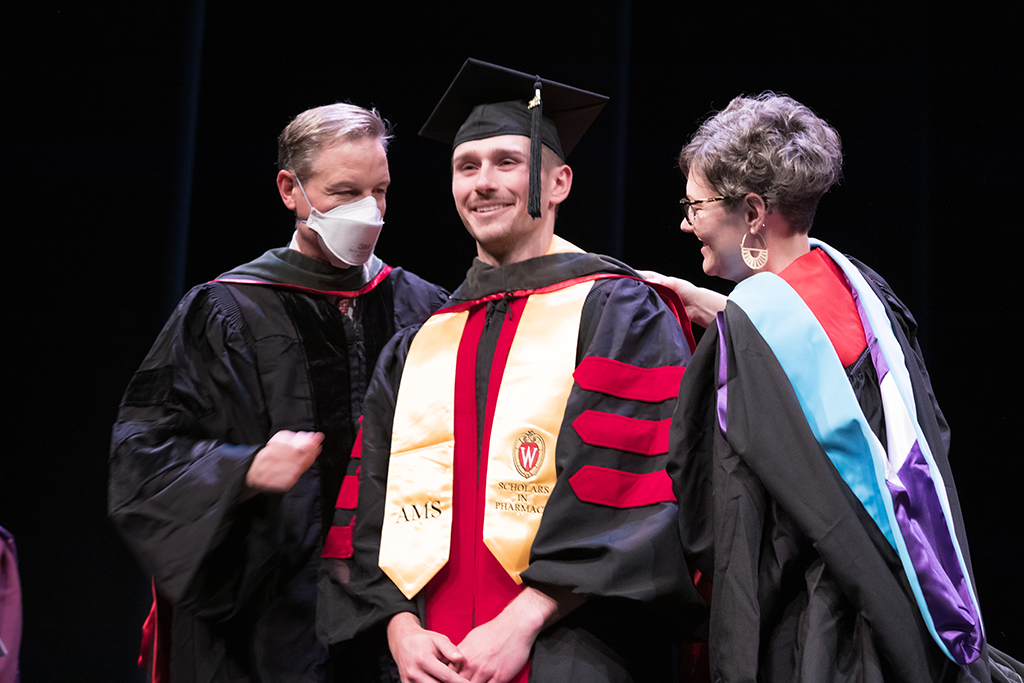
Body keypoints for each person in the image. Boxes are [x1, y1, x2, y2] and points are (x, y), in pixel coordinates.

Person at [318, 59, 706, 683]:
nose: (483, 183)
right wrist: (397, 627)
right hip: (427, 658)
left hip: (571, 649)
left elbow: (635, 487)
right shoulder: (420, 341)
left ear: (558, 184)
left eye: (506, 162)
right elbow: (369, 506)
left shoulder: (614, 309)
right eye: (466, 166)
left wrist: (521, 621)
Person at [665, 92, 1024, 682]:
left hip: (817, 637)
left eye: (695, 203)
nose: (686, 221)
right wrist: (729, 313)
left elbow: (726, 518)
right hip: (913, 615)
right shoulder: (866, 291)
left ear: (753, 211)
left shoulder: (748, 338)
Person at [108, 102, 449, 683]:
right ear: (291, 190)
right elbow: (141, 457)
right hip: (263, 628)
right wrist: (242, 470)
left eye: (381, 192)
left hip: (398, 622)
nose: (369, 213)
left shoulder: (425, 309)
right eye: (345, 193)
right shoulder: (226, 309)